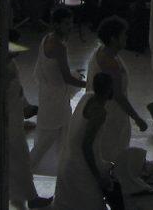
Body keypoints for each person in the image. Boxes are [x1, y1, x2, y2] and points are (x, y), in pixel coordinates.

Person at [0, 44, 50, 208]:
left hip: (10, 121)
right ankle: (21, 197)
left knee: (17, 159)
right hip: (1, 123)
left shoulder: (9, 62)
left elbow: (17, 89)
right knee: (12, 159)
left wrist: (25, 107)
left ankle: (26, 195)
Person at [85, 16, 148, 163]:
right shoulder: (110, 63)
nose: (126, 37)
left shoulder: (101, 52)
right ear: (114, 39)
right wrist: (137, 118)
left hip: (106, 110)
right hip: (112, 115)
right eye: (123, 34)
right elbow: (118, 96)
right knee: (112, 152)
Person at [30, 7, 87, 169]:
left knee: (61, 138)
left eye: (71, 23)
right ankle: (26, 169)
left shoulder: (47, 39)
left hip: (50, 95)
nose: (70, 26)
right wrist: (87, 84)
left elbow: (51, 70)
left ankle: (65, 169)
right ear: (57, 24)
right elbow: (66, 77)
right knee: (48, 140)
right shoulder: (58, 46)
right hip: (56, 100)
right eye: (67, 23)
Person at [51, 72, 116, 210]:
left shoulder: (87, 97)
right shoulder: (99, 113)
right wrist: (98, 176)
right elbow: (86, 146)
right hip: (80, 168)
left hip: (68, 162)